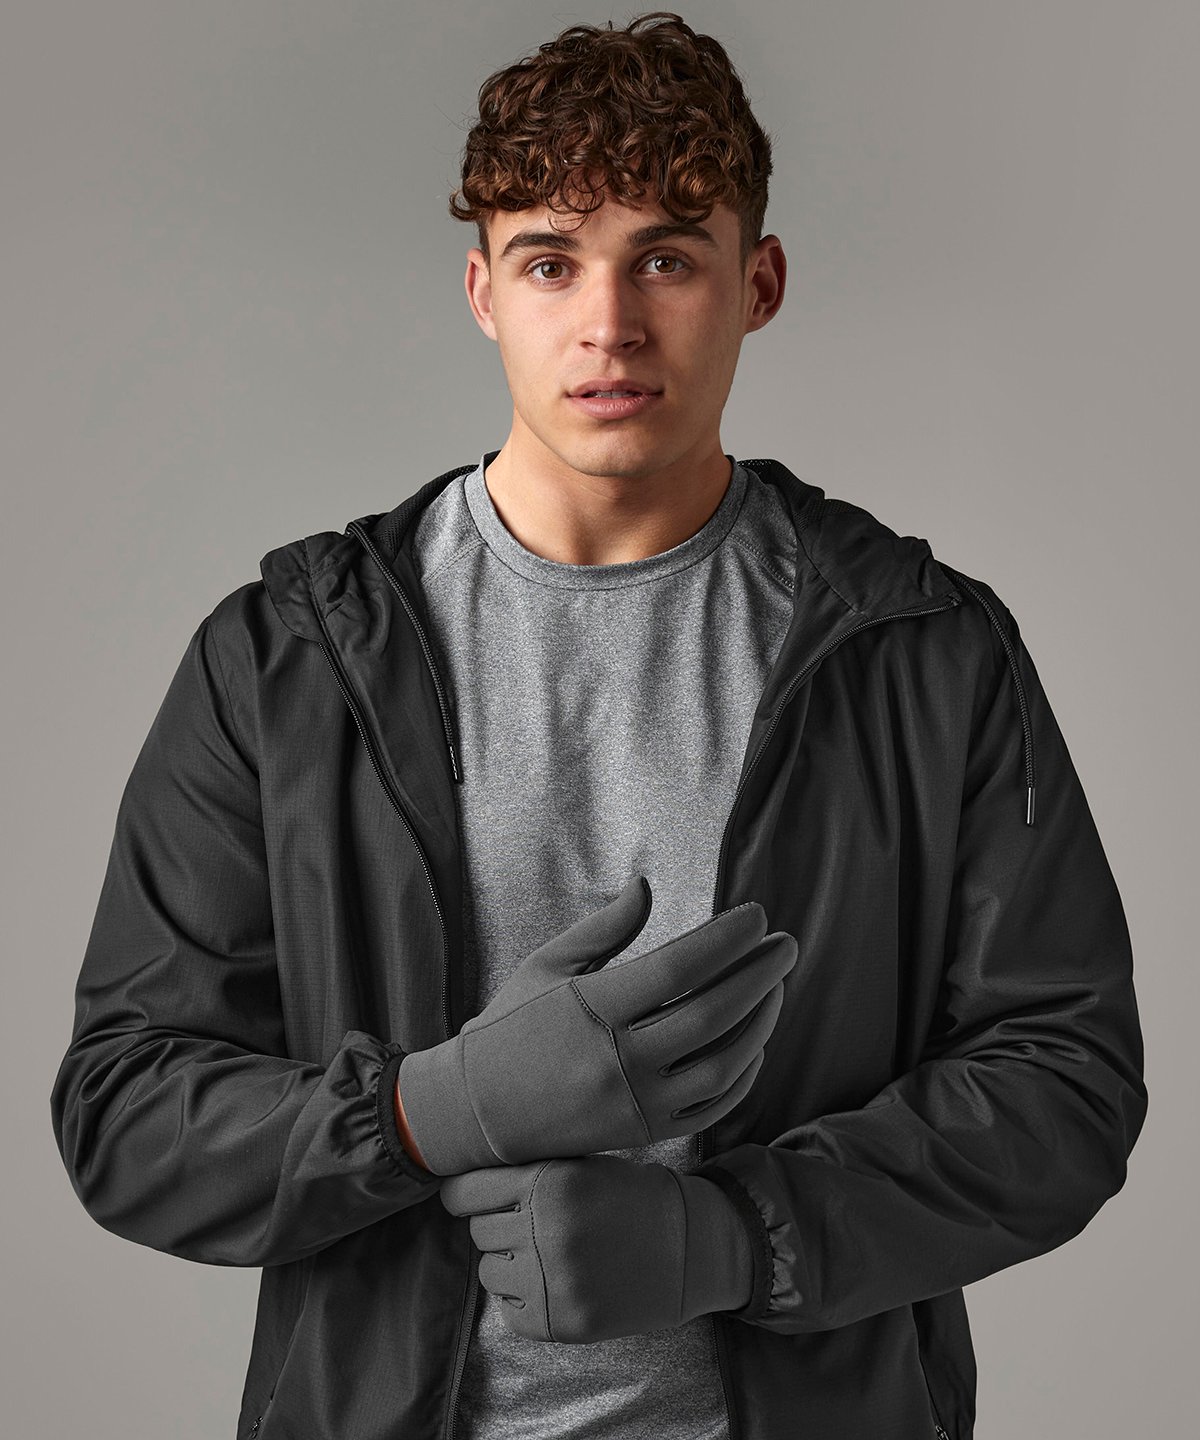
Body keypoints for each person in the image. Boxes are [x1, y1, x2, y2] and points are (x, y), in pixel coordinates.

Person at [49, 12, 1148, 1440]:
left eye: (667, 259)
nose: (611, 324)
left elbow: (1064, 1078)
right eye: (551, 261)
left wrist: (734, 1239)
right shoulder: (287, 660)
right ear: (483, 290)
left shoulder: (923, 650)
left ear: (758, 284)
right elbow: (128, 1113)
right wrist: (432, 1111)